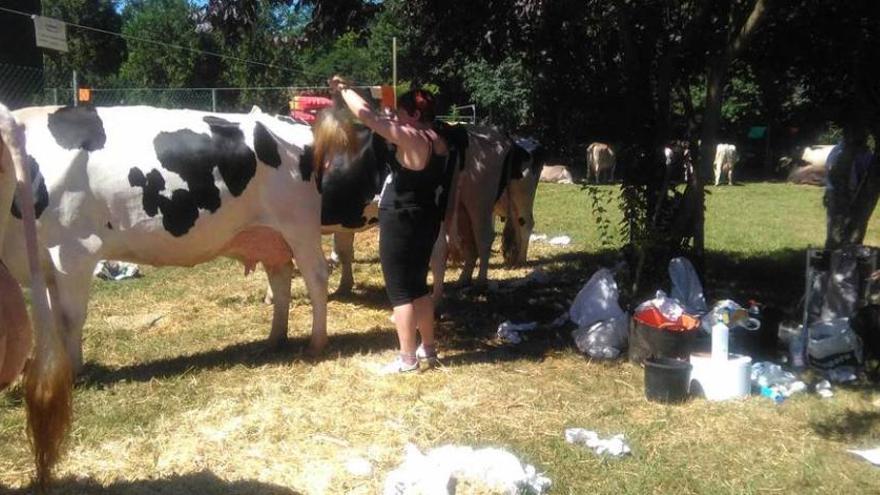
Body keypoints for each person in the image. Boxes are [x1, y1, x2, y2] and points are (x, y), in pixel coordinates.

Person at [329, 76, 452, 373]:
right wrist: (380, 108)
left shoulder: (410, 138)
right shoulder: (438, 141)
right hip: (425, 217)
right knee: (418, 287)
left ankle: (407, 358)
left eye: (401, 112)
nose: (396, 116)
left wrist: (344, 90)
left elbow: (365, 116)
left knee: (399, 292)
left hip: (401, 219)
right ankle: (428, 349)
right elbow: (384, 122)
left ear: (414, 114)